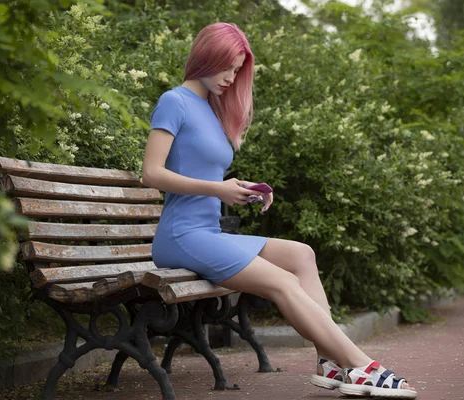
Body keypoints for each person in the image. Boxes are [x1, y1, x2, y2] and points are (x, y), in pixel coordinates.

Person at [142, 22, 417, 399]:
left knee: (301, 254)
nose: (231, 77)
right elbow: (151, 173)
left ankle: (329, 362)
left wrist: (244, 190)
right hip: (180, 236)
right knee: (283, 282)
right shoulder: (175, 101)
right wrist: (218, 189)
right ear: (205, 57)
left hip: (207, 233)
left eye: (238, 69)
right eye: (227, 66)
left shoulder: (211, 109)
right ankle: (359, 366)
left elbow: (203, 172)